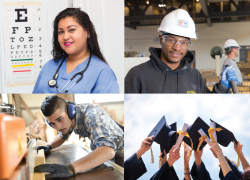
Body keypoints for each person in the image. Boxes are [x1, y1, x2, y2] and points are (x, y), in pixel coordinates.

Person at [125, 9, 238, 93]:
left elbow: (207, 108)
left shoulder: (194, 75)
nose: (177, 48)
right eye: (171, 40)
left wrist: (222, 87)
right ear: (161, 39)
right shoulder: (138, 75)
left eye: (184, 42)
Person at [34, 95, 124, 178]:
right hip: (102, 148)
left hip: (122, 152)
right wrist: (49, 146)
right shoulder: (70, 119)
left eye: (60, 119)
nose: (57, 127)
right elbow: (63, 135)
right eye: (52, 123)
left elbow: (108, 151)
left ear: (70, 112)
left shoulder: (92, 114)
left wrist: (70, 168)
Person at [32, 8, 119, 93]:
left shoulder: (103, 72)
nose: (65, 37)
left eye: (71, 30)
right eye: (61, 32)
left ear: (87, 32)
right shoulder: (49, 66)